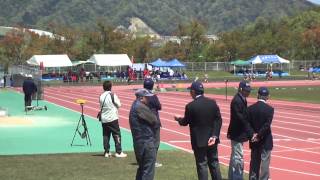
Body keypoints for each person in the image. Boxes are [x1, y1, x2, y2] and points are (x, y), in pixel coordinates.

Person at [174, 81, 222, 180]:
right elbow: (218, 120)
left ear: (193, 91)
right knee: (214, 163)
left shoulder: (190, 106)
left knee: (202, 165)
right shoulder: (212, 103)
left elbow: (185, 122)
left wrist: (178, 119)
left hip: (199, 141)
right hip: (212, 140)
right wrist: (214, 135)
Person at [227, 80, 255, 180]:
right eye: (247, 90)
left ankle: (232, 177)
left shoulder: (242, 99)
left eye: (249, 90)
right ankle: (237, 178)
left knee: (234, 156)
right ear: (241, 89)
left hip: (238, 132)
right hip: (237, 133)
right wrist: (251, 132)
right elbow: (241, 119)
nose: (249, 92)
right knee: (238, 157)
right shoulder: (237, 101)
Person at [129, 88, 158, 180]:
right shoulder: (140, 107)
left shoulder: (134, 105)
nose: (149, 100)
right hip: (146, 142)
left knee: (142, 169)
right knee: (148, 171)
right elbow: (154, 119)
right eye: (147, 98)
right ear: (141, 98)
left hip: (139, 142)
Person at [248, 87, 274, 180]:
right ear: (268, 97)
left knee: (254, 162)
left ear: (257, 95)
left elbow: (247, 124)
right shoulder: (270, 109)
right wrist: (259, 135)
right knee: (265, 164)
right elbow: (266, 126)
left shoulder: (250, 108)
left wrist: (253, 135)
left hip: (254, 140)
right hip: (265, 140)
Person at [99, 80, 127, 158]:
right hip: (112, 118)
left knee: (106, 135)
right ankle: (118, 152)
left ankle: (106, 152)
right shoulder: (112, 95)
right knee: (117, 134)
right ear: (110, 87)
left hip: (104, 119)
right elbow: (119, 105)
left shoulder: (101, 96)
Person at [143, 78, 162, 167]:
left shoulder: (140, 96)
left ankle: (145, 159)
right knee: (155, 142)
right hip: (154, 121)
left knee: (146, 141)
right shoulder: (153, 96)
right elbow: (159, 106)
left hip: (144, 121)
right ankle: (153, 161)